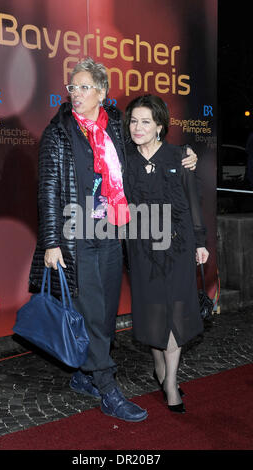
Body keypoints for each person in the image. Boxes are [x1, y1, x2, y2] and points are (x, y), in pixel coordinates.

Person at [29, 58, 197, 422]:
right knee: (90, 309)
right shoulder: (58, 132)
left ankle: (84, 374)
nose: (76, 93)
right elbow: (48, 191)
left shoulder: (115, 127)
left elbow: (144, 149)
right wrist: (51, 243)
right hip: (75, 236)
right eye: (73, 87)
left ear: (102, 92)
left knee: (104, 312)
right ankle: (107, 387)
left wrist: (184, 155)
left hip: (109, 232)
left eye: (85, 87)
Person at [124, 94, 209, 413]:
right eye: (133, 121)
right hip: (142, 249)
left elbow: (192, 204)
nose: (138, 127)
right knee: (152, 311)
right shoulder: (126, 161)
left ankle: (171, 382)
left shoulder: (180, 157)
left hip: (178, 247)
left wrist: (200, 243)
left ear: (159, 126)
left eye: (146, 121)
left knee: (174, 312)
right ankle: (159, 367)